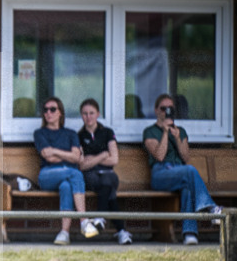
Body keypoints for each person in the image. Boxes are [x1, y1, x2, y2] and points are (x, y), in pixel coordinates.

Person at [143, 93, 222, 245]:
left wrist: (178, 137)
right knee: (190, 170)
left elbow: (185, 158)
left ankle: (189, 234)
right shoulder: (150, 132)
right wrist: (165, 132)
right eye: (163, 108)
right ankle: (210, 207)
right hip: (161, 173)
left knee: (187, 188)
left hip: (180, 171)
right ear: (156, 110)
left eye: (170, 108)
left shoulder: (181, 131)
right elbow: (159, 156)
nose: (166, 111)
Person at [34, 96, 98, 245]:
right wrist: (67, 156)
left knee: (66, 186)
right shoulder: (40, 133)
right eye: (45, 110)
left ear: (60, 112)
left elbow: (76, 157)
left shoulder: (71, 134)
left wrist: (55, 151)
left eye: (52, 109)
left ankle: (64, 233)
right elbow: (47, 156)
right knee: (75, 173)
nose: (48, 113)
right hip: (47, 175)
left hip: (67, 177)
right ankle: (83, 221)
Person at [78, 98, 133, 245]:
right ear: (81, 115)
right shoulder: (79, 136)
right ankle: (121, 231)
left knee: (107, 182)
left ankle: (100, 218)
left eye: (91, 113)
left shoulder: (107, 132)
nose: (88, 117)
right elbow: (82, 165)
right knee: (109, 192)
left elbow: (114, 159)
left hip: (108, 174)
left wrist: (92, 158)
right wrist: (103, 155)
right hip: (90, 176)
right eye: (85, 113)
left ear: (98, 114)